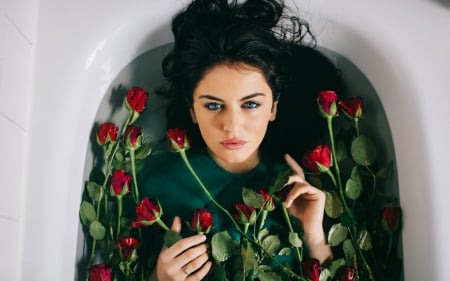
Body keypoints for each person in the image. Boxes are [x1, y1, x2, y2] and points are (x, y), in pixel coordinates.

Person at [137, 0, 343, 280]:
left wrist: (314, 236)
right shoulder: (155, 181)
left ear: (273, 108)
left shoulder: (298, 191)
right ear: (192, 111)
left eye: (251, 105)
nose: (232, 126)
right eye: (213, 106)